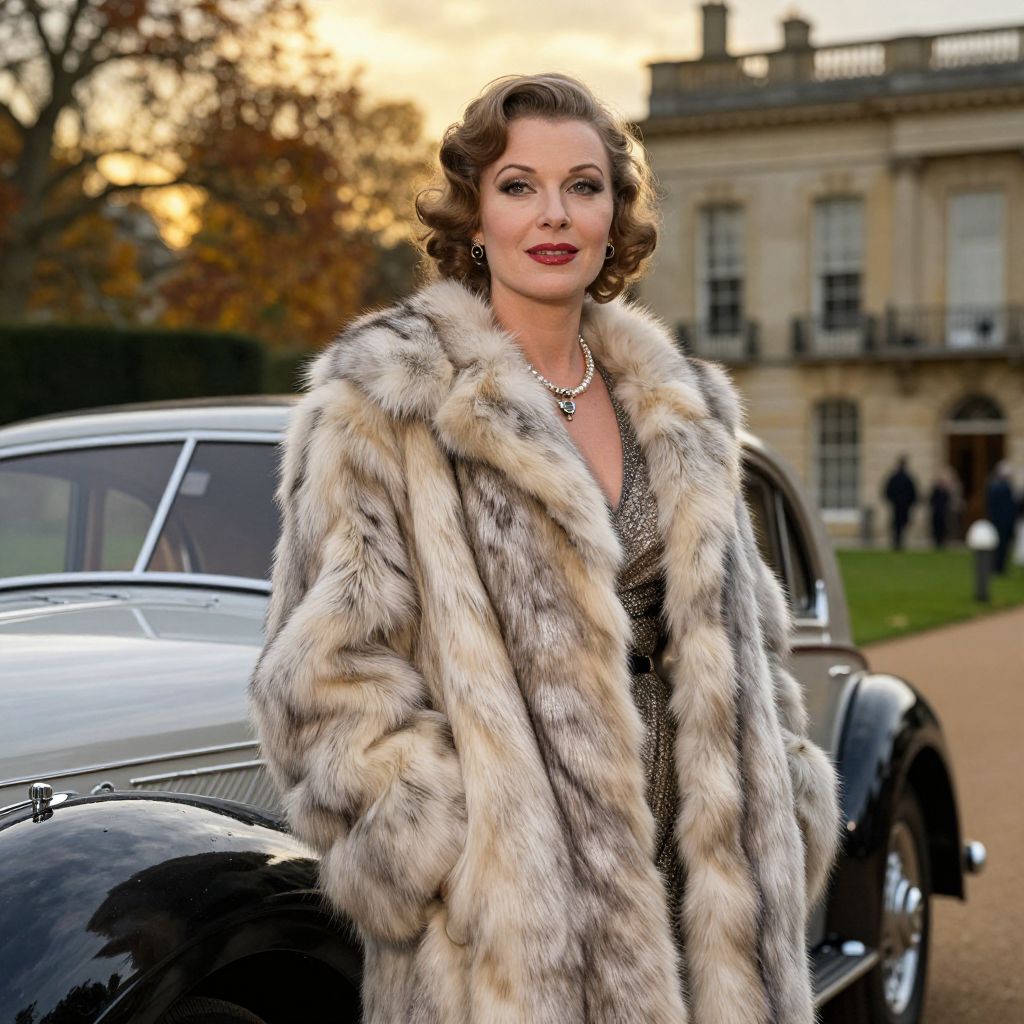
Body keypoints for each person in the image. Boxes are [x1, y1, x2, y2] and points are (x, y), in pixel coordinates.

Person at [249, 73, 841, 1024]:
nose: (554, 214)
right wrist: (451, 863)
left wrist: (787, 803)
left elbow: (751, 650)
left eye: (585, 185)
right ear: (473, 216)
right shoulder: (383, 405)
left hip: (708, 917)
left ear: (617, 216)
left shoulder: (686, 408)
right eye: (519, 185)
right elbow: (320, 684)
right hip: (516, 954)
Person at [985, 460, 1019, 574]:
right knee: (1001, 546)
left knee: (1001, 546)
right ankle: (999, 568)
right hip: (1002, 522)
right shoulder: (1002, 487)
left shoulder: (996, 485)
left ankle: (999, 567)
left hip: (1000, 521)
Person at [883, 455, 918, 550]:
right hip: (903, 505)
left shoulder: (894, 477)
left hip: (897, 505)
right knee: (901, 524)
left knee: (897, 524)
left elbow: (887, 491)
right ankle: (899, 542)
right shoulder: (908, 478)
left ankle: (897, 542)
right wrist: (910, 503)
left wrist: (892, 500)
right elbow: (913, 493)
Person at [928, 467, 955, 549]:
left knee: (943, 527)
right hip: (937, 512)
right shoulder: (936, 490)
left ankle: (942, 541)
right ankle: (937, 541)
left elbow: (949, 501)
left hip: (943, 512)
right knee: (936, 527)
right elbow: (931, 500)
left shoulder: (946, 491)